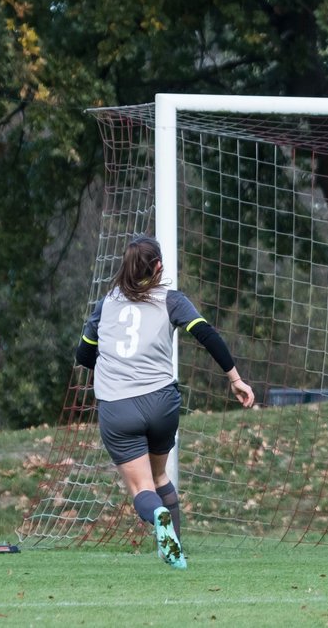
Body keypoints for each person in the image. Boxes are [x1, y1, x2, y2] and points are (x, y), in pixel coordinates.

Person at [76, 236, 255, 569]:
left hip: (118, 406)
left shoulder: (106, 305)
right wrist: (235, 379)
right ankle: (174, 549)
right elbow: (208, 335)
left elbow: (84, 355)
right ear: (158, 266)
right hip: (161, 402)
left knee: (142, 487)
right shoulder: (171, 300)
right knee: (159, 477)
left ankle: (157, 516)